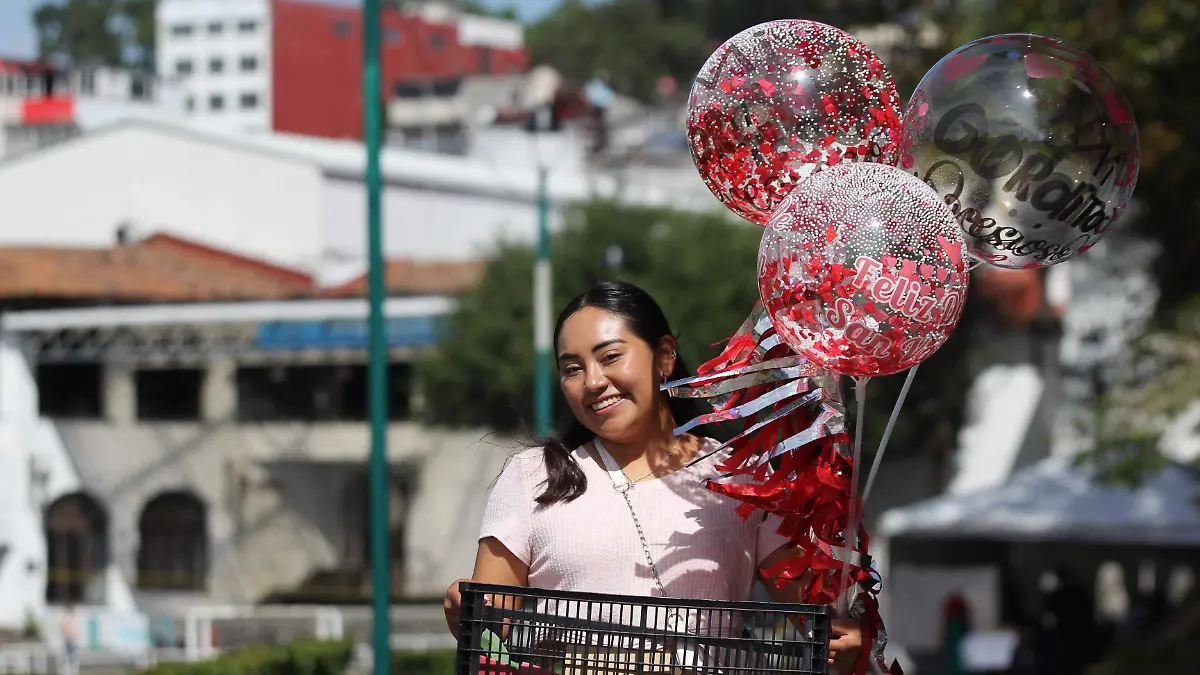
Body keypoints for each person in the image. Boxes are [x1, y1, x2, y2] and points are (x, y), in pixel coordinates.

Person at [443, 281, 863, 672]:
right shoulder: (535, 476)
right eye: (572, 368)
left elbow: (814, 615)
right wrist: (465, 608)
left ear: (664, 356)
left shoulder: (740, 477)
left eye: (610, 357)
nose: (593, 382)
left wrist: (845, 632)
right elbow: (488, 632)